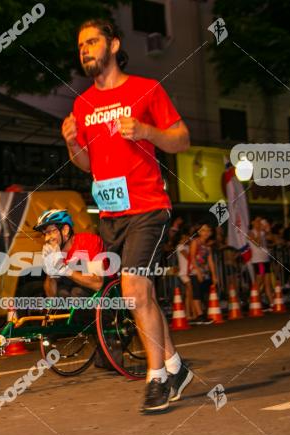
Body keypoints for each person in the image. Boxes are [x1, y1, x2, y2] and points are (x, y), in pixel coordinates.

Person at [64, 19, 192, 413]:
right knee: (142, 295)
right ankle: (175, 366)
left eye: (92, 41)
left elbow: (182, 139)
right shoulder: (81, 104)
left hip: (148, 207)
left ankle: (157, 380)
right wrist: (71, 143)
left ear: (114, 44)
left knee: (134, 290)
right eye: (81, 44)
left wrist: (146, 131)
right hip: (110, 213)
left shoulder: (145, 90)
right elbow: (86, 165)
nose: (85, 49)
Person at [34, 209, 113, 371]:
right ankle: (90, 333)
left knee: (76, 293)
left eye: (50, 232)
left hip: (108, 296)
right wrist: (50, 273)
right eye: (44, 234)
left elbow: (97, 283)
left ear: (65, 230)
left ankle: (109, 335)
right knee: (63, 294)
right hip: (84, 299)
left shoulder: (88, 242)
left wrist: (64, 270)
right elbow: (52, 295)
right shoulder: (56, 251)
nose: (47, 238)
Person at [189, 224, 220, 323]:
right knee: (197, 292)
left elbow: (211, 261)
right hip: (195, 271)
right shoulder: (195, 242)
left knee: (204, 292)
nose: (206, 232)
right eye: (203, 230)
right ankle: (199, 315)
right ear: (199, 232)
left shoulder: (207, 246)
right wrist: (198, 272)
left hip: (205, 272)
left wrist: (214, 275)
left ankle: (202, 314)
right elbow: (192, 257)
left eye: (208, 230)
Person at [249, 217, 275, 308]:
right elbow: (257, 243)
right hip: (258, 260)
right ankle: (254, 301)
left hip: (265, 259)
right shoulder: (251, 232)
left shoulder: (263, 232)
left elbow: (272, 239)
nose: (259, 223)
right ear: (252, 222)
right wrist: (260, 231)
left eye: (260, 221)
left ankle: (272, 303)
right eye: (257, 221)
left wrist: (268, 230)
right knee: (259, 282)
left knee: (267, 283)